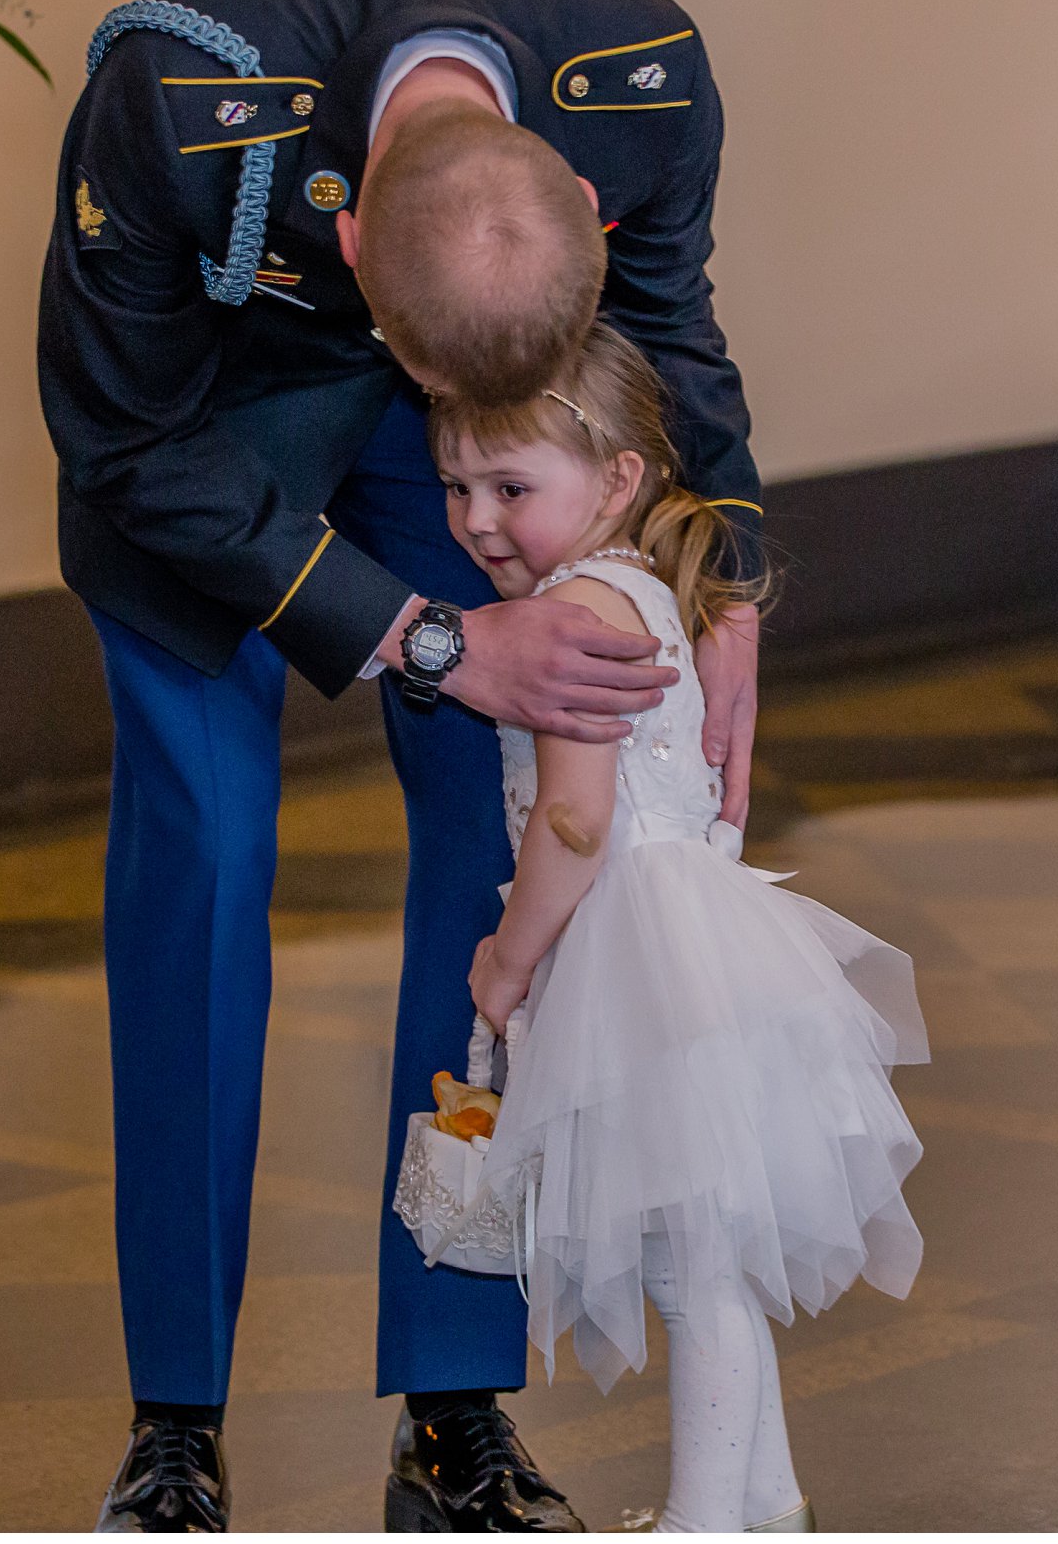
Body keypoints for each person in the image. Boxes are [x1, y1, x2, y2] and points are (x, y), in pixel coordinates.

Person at [35, 0, 767, 1531]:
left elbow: (679, 331)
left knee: (502, 874)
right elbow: (120, 439)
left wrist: (732, 579)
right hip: (204, 453)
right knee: (204, 875)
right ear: (350, 243)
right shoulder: (170, 96)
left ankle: (454, 1402)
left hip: (472, 426)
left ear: (573, 203)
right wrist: (432, 637)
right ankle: (175, 1425)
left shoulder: (637, 80)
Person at [418, 323, 926, 1533]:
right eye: (454, 486)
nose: (477, 518)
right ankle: (762, 1496)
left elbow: (577, 823)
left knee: (688, 1273)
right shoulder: (633, 586)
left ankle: (706, 1519)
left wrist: (505, 958)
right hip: (691, 951)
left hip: (634, 958)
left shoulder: (573, 614)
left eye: (509, 487)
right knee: (710, 1259)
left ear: (615, 480)